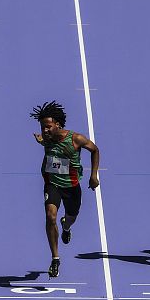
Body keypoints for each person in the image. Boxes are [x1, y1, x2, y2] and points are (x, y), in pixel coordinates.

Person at [30, 101, 100, 278]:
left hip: (71, 186)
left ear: (58, 124)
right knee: (50, 215)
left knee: (70, 218)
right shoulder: (45, 138)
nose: (44, 131)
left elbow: (95, 150)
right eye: (42, 127)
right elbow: (45, 143)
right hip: (52, 183)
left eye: (48, 127)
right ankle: (55, 258)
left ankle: (66, 227)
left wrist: (94, 176)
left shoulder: (76, 139)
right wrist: (42, 141)